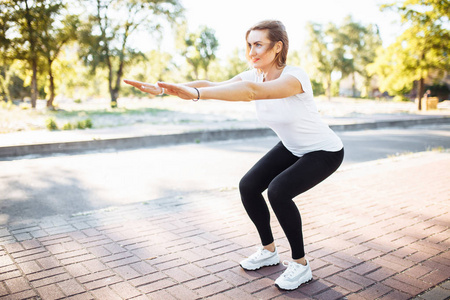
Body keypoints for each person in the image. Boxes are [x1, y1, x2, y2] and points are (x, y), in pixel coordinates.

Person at [124, 20, 344, 291]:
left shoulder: (294, 77)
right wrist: (166, 89)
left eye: (259, 45)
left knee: (278, 192)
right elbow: (213, 84)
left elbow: (252, 93)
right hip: (291, 146)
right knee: (248, 186)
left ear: (278, 47)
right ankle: (269, 251)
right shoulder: (254, 74)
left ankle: (300, 265)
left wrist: (195, 94)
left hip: (323, 150)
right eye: (249, 45)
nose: (252, 51)